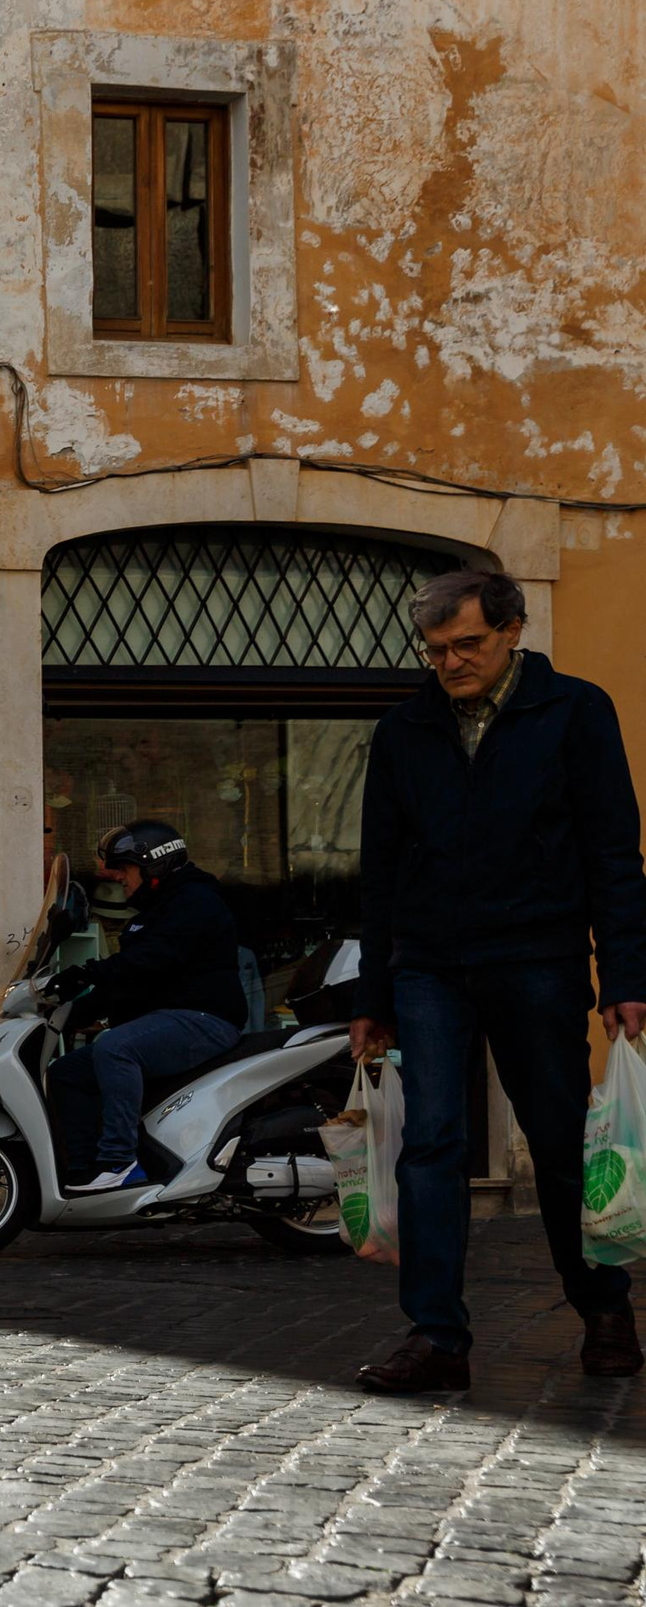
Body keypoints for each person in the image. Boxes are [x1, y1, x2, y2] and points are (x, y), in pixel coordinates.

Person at [350, 569, 646, 1393]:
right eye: (437, 649)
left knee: (557, 1146)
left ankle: (604, 1307)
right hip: (431, 966)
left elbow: (613, 853)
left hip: (539, 959)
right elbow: (380, 874)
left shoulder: (576, 710)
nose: (451, 662)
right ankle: (438, 1336)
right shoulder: (403, 729)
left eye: (468, 644)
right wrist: (373, 994)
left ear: (513, 629)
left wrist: (624, 971)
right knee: (432, 1144)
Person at [44, 822, 247, 1192]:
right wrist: (74, 1013)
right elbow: (131, 980)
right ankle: (84, 1170)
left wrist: (88, 972)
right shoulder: (155, 912)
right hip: (167, 1018)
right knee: (66, 1073)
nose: (116, 876)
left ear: (154, 866)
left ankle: (119, 1162)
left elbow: (155, 960)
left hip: (205, 1019)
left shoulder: (195, 902)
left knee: (115, 1047)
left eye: (124, 868)